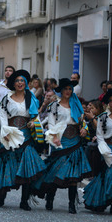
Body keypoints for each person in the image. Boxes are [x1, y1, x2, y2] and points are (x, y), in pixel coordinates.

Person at [0, 70, 46, 210]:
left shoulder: (31, 98)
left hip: (26, 136)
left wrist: (33, 123)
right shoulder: (7, 98)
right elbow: (3, 116)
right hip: (10, 135)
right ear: (13, 83)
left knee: (27, 167)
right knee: (7, 165)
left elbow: (36, 117)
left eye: (22, 81)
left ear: (26, 83)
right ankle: (2, 195)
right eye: (17, 81)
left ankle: (24, 201)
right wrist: (5, 132)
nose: (20, 83)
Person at [31, 78, 92, 214]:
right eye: (65, 89)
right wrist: (55, 137)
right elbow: (51, 123)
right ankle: (50, 198)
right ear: (61, 91)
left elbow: (83, 122)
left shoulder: (76, 105)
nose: (68, 91)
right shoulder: (55, 106)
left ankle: (72, 204)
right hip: (60, 141)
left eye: (70, 89)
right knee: (56, 173)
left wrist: (84, 129)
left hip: (75, 141)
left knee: (73, 175)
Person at [83, 88, 112, 215]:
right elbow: (100, 136)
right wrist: (105, 152)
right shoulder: (103, 117)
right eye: (110, 101)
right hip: (108, 150)